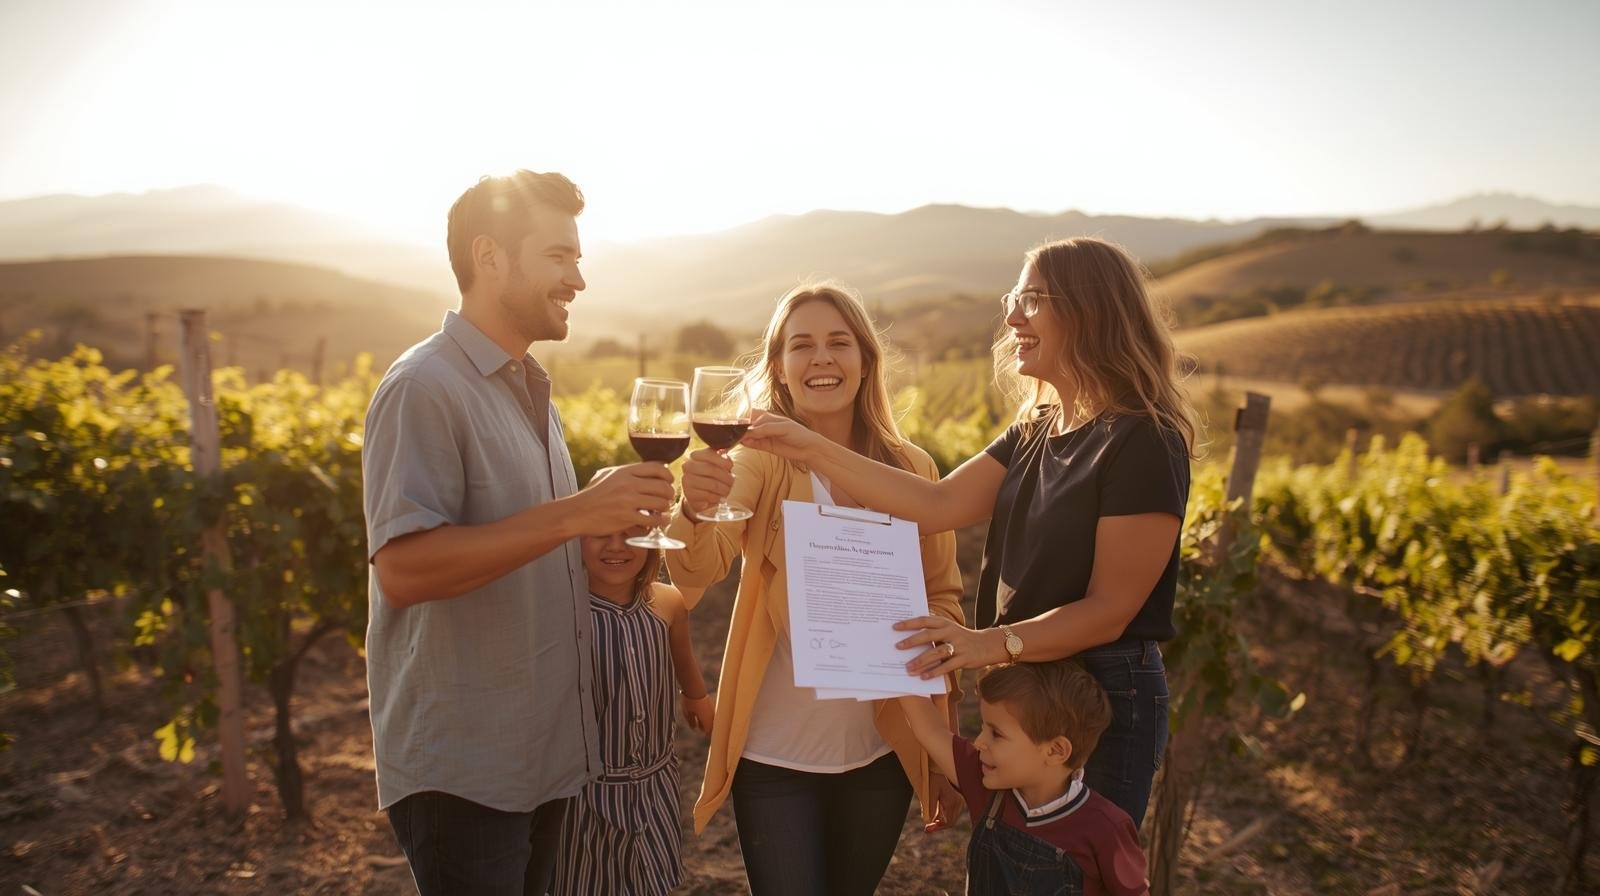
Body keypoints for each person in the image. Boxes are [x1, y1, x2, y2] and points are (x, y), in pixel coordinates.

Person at [741, 237, 1194, 825]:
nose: (1012, 318)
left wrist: (986, 644)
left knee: (1073, 861)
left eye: (1032, 300)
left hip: (1102, 695)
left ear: (1090, 309)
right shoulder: (1037, 427)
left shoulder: (1144, 439)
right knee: (1011, 856)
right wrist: (808, 447)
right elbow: (936, 504)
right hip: (1029, 682)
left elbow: (1110, 610)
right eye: (1013, 299)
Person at [362, 170, 677, 895]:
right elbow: (403, 571)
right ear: (490, 257)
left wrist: (615, 517)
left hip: (544, 756)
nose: (578, 279)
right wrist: (576, 513)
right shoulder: (423, 387)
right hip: (468, 770)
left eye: (577, 258)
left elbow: (536, 543)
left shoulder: (528, 387)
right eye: (558, 256)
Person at [669, 282, 967, 896]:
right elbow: (698, 570)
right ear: (779, 367)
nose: (821, 358)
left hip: (882, 751)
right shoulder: (759, 460)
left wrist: (944, 743)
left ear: (865, 361)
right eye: (801, 345)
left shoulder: (914, 470)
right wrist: (694, 509)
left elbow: (942, 596)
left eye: (839, 342)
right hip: (774, 754)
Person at [552, 527, 713, 895]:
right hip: (585, 792)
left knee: (650, 879)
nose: (616, 546)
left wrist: (696, 697)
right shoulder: (564, 613)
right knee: (584, 882)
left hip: (655, 783)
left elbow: (683, 657)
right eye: (600, 534)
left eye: (631, 534)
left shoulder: (667, 602)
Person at [896, 660, 1148, 895]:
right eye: (983, 728)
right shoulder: (985, 780)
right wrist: (892, 662)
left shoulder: (1106, 828)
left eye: (996, 734)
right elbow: (930, 730)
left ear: (1055, 751)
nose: (979, 742)